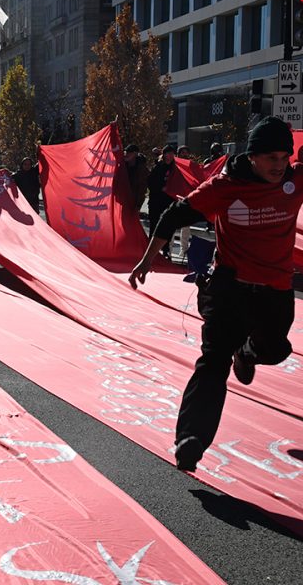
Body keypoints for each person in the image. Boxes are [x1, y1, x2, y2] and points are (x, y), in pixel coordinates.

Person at [128, 116, 303, 472]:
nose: (278, 166)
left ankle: (249, 353)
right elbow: (172, 217)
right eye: (270, 158)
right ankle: (190, 440)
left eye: (284, 158)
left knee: (277, 349)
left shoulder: (295, 181)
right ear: (252, 157)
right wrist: (145, 261)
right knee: (212, 362)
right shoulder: (225, 187)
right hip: (230, 290)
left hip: (276, 291)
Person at [146, 144, 176, 250]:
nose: (171, 155)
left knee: (166, 227)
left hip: (169, 202)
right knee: (154, 226)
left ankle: (166, 250)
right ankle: (150, 251)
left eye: (172, 153)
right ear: (164, 154)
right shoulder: (158, 167)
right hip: (156, 201)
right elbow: (150, 182)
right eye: (168, 153)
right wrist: (160, 188)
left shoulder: (175, 168)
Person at [123, 144, 150, 215]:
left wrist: (138, 206)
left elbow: (142, 189)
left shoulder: (142, 169)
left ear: (135, 154)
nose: (126, 154)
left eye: (129, 152)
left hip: (133, 203)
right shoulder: (122, 166)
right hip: (122, 201)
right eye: (126, 152)